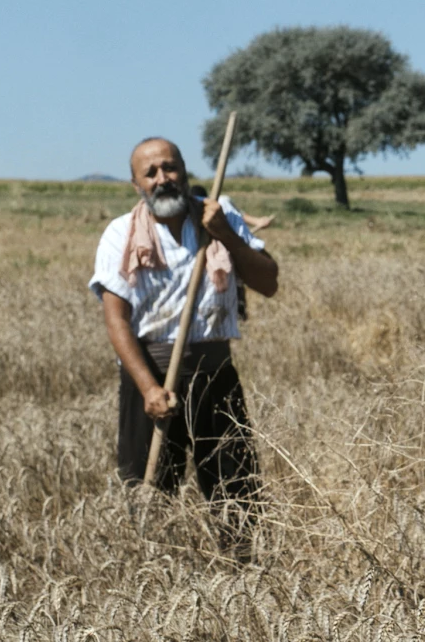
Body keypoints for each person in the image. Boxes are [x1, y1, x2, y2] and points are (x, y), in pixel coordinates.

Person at [89, 137, 279, 556]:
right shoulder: (120, 233)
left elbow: (268, 282)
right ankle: (156, 574)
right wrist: (148, 389)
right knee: (150, 489)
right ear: (136, 183)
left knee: (236, 489)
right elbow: (116, 320)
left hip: (217, 376)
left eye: (169, 168)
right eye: (150, 173)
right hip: (154, 378)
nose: (163, 179)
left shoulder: (220, 217)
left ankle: (242, 573)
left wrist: (226, 236)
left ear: (185, 169)